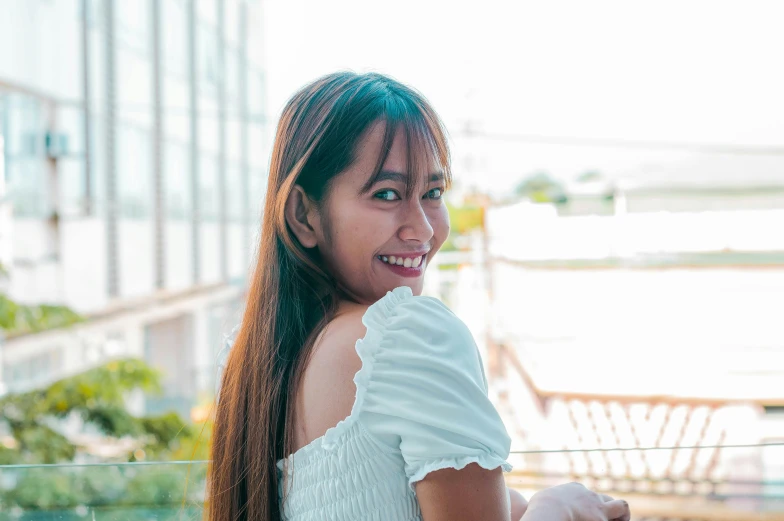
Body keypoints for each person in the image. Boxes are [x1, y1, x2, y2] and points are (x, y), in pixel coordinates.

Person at [207, 71, 631, 521]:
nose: (423, 229)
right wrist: (559, 509)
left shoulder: (252, 360)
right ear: (303, 215)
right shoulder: (408, 338)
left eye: (432, 193)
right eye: (387, 194)